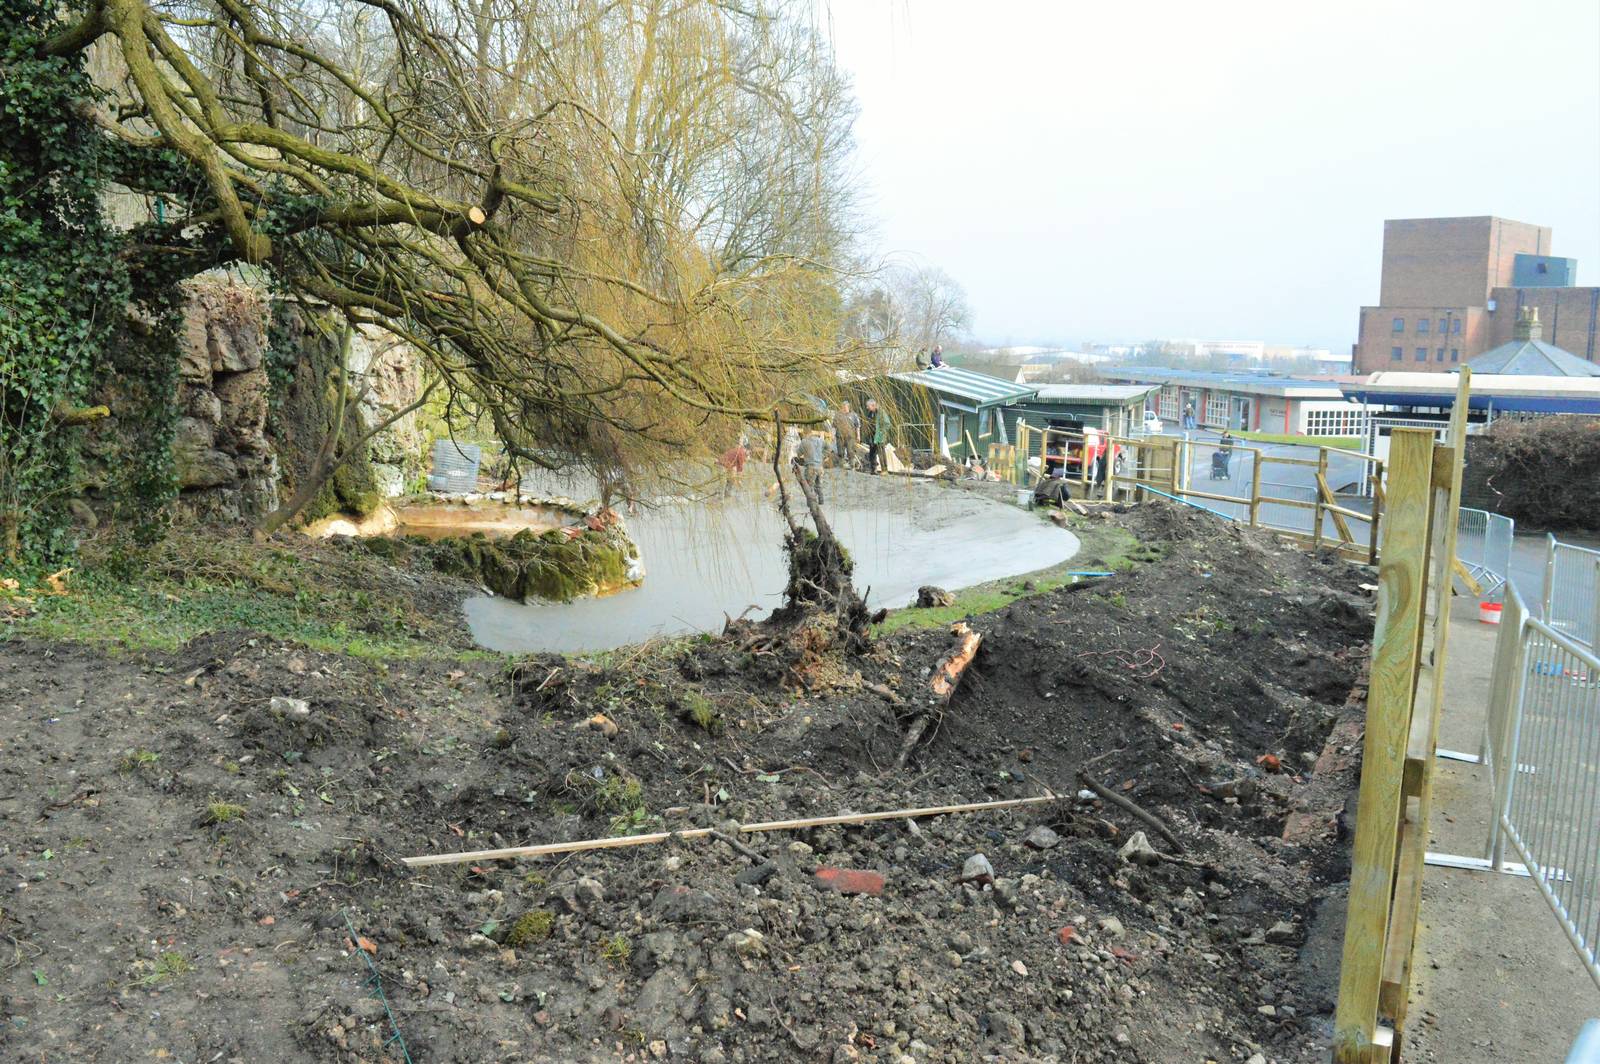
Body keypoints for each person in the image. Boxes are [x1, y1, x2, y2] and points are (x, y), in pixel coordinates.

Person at [798, 429, 826, 504]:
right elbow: (828, 447)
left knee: (809, 485)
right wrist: (823, 456)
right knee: (819, 485)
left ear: (804, 434)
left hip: (810, 467)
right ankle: (821, 500)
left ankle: (812, 502)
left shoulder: (804, 442)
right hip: (820, 466)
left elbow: (799, 454)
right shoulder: (820, 440)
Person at [865, 398, 890, 474]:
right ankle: (873, 469)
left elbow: (887, 424)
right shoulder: (870, 413)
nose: (867, 407)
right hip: (872, 436)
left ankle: (884, 470)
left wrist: (881, 432)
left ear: (873, 405)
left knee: (881, 453)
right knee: (872, 453)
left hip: (879, 436)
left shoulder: (881, 412)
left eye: (868, 406)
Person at [832, 401, 860, 470]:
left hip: (850, 436)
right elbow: (833, 426)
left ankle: (852, 465)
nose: (844, 408)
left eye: (846, 407)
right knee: (840, 451)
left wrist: (858, 436)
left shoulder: (853, 415)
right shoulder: (838, 415)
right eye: (843, 407)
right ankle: (841, 464)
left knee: (851, 451)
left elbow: (858, 426)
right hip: (840, 436)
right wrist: (832, 434)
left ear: (848, 407)